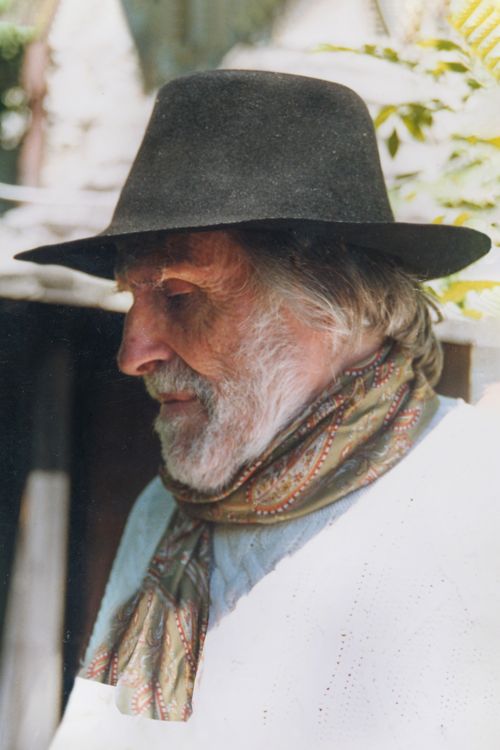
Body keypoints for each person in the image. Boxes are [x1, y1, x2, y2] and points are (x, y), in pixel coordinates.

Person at [17, 70, 500, 749]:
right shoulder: (168, 510)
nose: (133, 353)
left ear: (332, 304)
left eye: (179, 294)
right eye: (133, 297)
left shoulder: (475, 501)